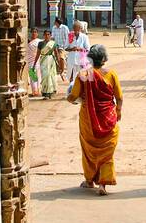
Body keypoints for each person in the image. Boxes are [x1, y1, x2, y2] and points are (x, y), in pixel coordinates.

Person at [68, 43, 122, 194]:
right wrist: (118, 111)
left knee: (88, 150)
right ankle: (103, 184)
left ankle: (89, 180)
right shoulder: (111, 74)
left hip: (88, 120)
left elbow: (72, 96)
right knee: (107, 152)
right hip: (108, 118)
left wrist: (72, 99)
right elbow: (119, 97)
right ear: (104, 59)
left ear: (90, 59)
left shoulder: (85, 74)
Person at [65, 18, 90, 93]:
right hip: (71, 60)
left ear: (80, 29)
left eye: (77, 29)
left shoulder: (84, 37)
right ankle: (72, 92)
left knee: (81, 77)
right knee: (71, 77)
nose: (75, 31)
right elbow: (66, 48)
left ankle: (80, 92)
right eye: (74, 29)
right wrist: (72, 49)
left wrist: (80, 49)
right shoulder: (70, 35)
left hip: (80, 60)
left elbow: (88, 49)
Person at [36, 29, 59, 99]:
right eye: (45, 34)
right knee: (44, 76)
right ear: (43, 35)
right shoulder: (40, 43)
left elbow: (56, 53)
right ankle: (45, 92)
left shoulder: (53, 43)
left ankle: (50, 93)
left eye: (48, 34)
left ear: (50, 35)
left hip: (51, 61)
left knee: (51, 76)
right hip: (43, 60)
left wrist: (58, 63)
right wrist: (34, 63)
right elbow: (38, 54)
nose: (47, 36)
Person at [27, 28, 41, 97]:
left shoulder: (39, 41)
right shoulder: (29, 42)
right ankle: (34, 91)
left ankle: (36, 91)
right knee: (33, 77)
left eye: (35, 32)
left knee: (36, 77)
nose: (34, 33)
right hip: (29, 61)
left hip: (36, 60)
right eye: (32, 32)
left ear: (37, 33)